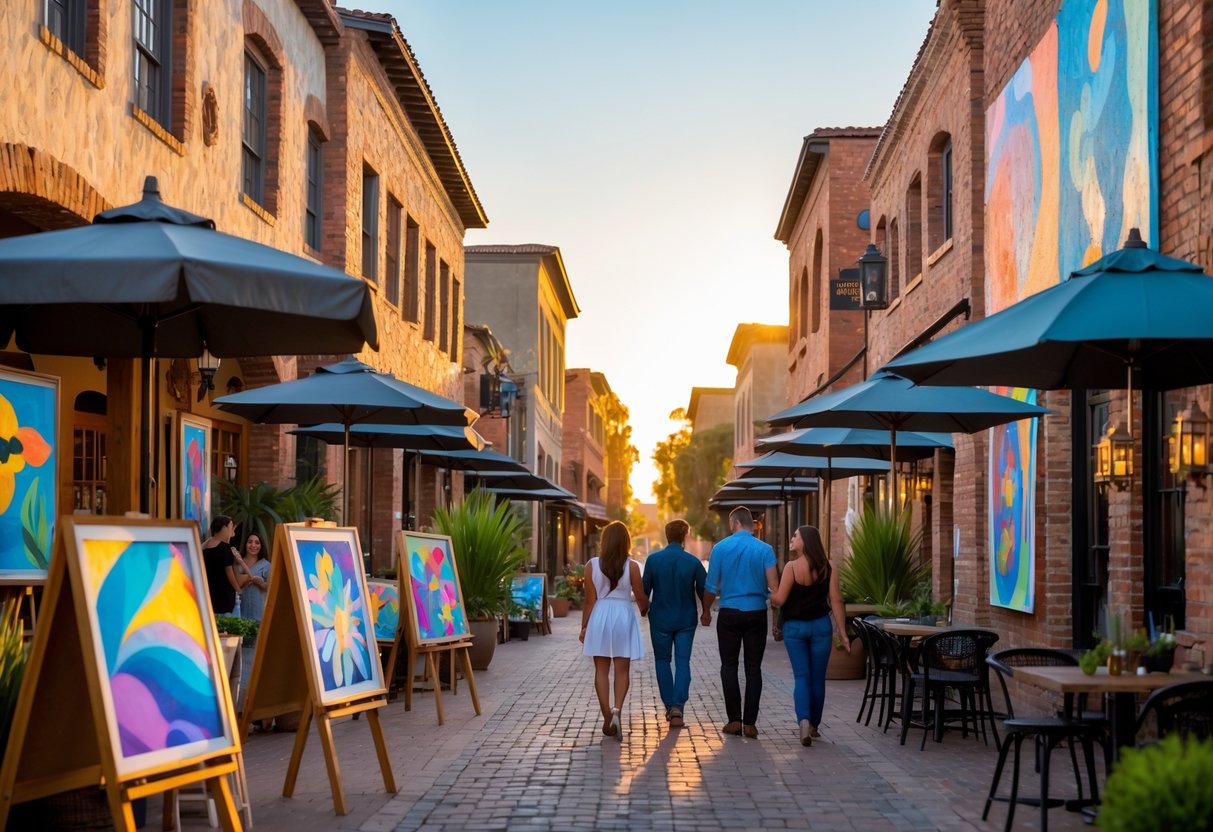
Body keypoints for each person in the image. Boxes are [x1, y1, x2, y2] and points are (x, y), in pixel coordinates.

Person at [701, 506, 778, 738]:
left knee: (729, 666)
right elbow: (775, 588)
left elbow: (710, 586)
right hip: (756, 613)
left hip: (729, 613)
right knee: (754, 668)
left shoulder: (720, 548)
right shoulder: (765, 549)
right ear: (751, 524)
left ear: (734, 524)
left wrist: (705, 611)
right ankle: (750, 724)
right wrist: (776, 619)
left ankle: (734, 720)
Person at [770, 525, 850, 746]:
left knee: (802, 677)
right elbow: (836, 601)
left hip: (795, 629)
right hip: (820, 627)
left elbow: (781, 600)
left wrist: (772, 595)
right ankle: (814, 724)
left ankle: (803, 720)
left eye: (795, 535)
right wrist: (842, 632)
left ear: (805, 540)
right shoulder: (829, 567)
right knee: (817, 677)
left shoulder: (791, 567)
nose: (792, 538)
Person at [580, 520, 649, 739]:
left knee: (601, 670)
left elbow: (589, 601)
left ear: (605, 541)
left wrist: (584, 626)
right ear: (626, 541)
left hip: (600, 614)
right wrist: (646, 609)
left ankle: (607, 717)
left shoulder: (591, 565)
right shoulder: (633, 566)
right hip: (623, 615)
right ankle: (617, 709)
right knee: (622, 670)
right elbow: (640, 599)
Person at [642, 518, 707, 728]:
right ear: (685, 536)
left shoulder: (653, 560)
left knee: (662, 661)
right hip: (686, 619)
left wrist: (644, 609)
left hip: (660, 618)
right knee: (682, 662)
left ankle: (670, 705)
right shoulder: (693, 562)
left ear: (666, 535)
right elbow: (704, 590)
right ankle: (678, 705)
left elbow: (644, 591)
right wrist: (706, 612)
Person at [202, 515, 246, 615]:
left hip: (209, 592)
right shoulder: (225, 548)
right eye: (231, 526)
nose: (232, 529)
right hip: (224, 594)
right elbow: (229, 571)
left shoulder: (205, 546)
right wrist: (238, 590)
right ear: (224, 528)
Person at [239, 531, 271, 623]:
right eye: (250, 542)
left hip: (258, 612)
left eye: (257, 542)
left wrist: (261, 584)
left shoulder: (266, 565)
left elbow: (271, 588)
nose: (253, 545)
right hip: (240, 611)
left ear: (261, 546)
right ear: (245, 544)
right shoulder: (238, 563)